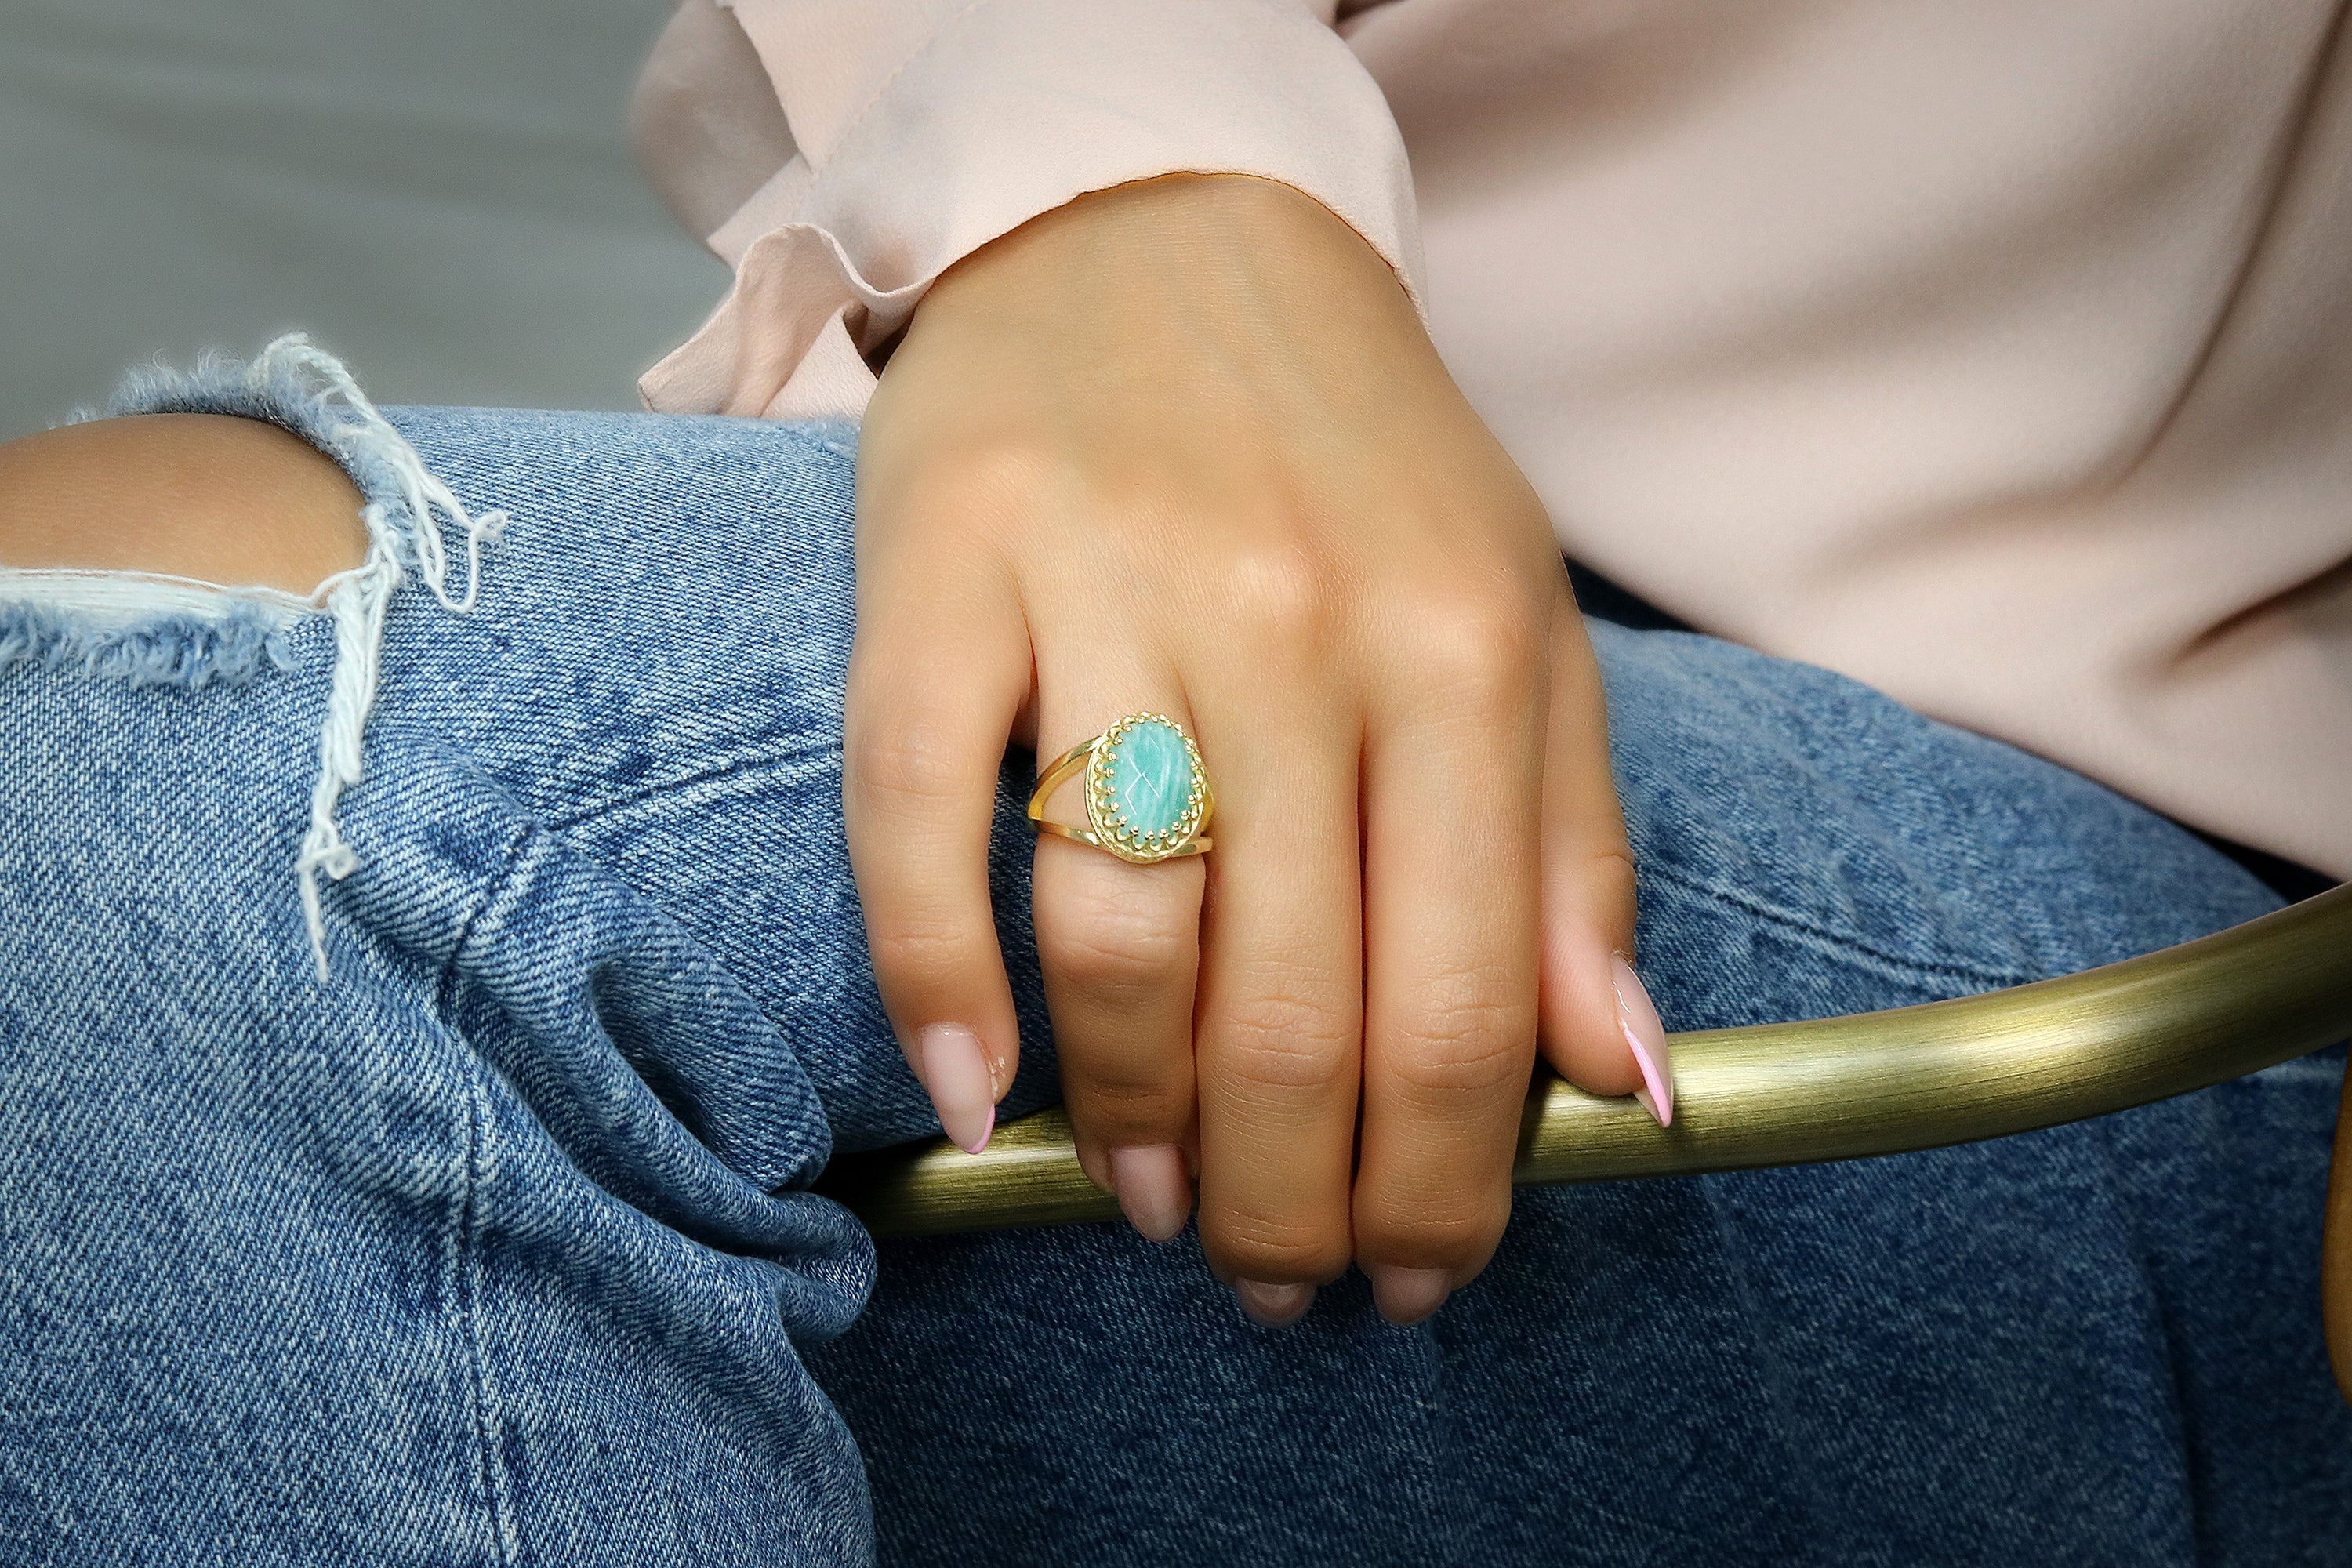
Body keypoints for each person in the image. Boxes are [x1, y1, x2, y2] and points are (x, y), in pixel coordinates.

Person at [2, 2, 2347, 1563]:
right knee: (103, 658)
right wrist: (1123, 173)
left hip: (2183, 941)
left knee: (277, 802)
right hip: (1133, 482)